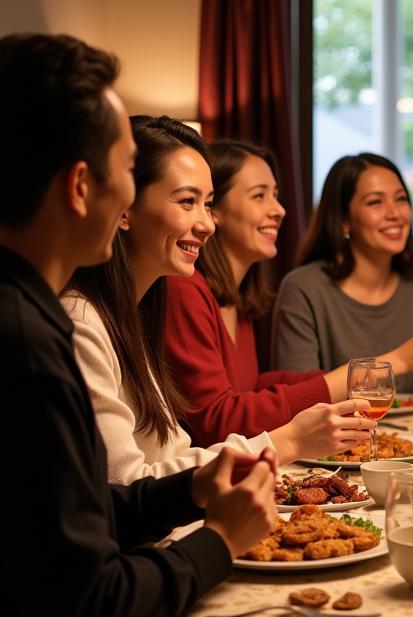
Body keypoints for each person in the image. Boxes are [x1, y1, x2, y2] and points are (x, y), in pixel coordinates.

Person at [0, 33, 278, 617]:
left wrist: (185, 493)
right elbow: (87, 602)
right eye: (129, 169)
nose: (133, 199)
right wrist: (219, 541)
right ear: (82, 186)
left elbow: (74, 516)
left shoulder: (36, 312)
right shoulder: (28, 340)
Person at [63, 116, 374, 484]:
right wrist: (285, 441)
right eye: (187, 201)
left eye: (206, 203)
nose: (206, 223)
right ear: (125, 208)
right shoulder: (84, 320)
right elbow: (126, 486)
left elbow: (175, 451)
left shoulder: (135, 311)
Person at [164, 140, 360, 445]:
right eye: (259, 196)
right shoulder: (184, 289)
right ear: (215, 210)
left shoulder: (235, 297)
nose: (279, 210)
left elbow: (247, 387)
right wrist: (340, 382)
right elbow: (219, 420)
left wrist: (323, 380)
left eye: (276, 196)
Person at [272, 152, 413, 393]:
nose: (395, 213)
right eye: (375, 202)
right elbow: (300, 397)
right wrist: (401, 359)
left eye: (401, 199)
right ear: (343, 220)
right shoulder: (303, 288)